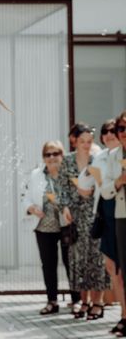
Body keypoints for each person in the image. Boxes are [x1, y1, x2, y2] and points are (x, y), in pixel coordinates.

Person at [60, 124, 111, 320]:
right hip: (75, 215)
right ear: (74, 141)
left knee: (97, 258)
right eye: (82, 141)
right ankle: (84, 301)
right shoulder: (67, 160)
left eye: (89, 141)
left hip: (96, 214)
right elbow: (61, 187)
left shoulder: (97, 159)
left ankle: (98, 302)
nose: (86, 145)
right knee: (78, 259)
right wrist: (64, 207)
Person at [22, 140, 79, 314]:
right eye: (48, 154)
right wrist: (30, 207)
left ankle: (77, 300)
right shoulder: (36, 174)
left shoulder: (69, 173)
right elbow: (25, 196)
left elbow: (78, 197)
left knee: (71, 263)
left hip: (66, 225)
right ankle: (52, 301)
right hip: (44, 226)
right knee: (48, 264)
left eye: (56, 153)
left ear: (62, 155)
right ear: (43, 157)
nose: (52, 157)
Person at [101, 110, 126, 336]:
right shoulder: (113, 156)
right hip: (120, 217)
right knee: (121, 271)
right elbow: (105, 190)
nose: (123, 133)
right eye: (121, 128)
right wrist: (119, 181)